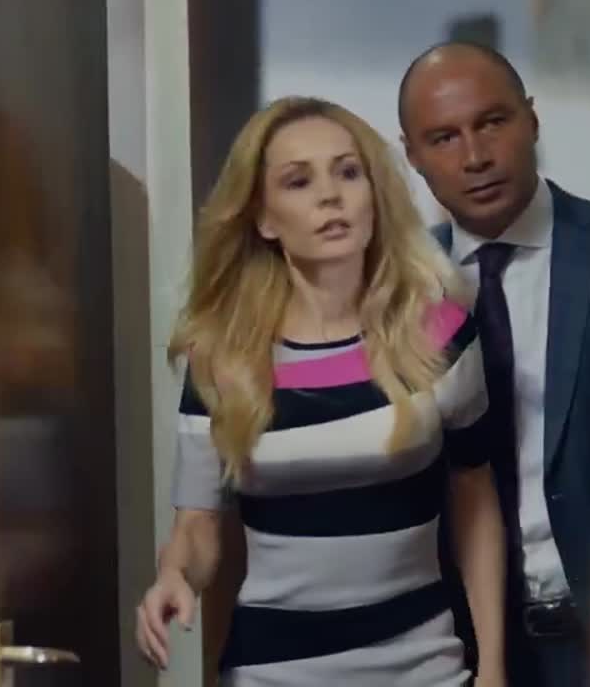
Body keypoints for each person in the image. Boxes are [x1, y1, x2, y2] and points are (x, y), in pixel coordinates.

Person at [134, 96, 507, 686]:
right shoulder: (225, 356)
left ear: (374, 196)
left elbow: (476, 502)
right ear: (264, 219)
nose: (330, 196)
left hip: (424, 666)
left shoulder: (440, 333)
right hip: (273, 671)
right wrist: (175, 577)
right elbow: (197, 527)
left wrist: (493, 667)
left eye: (348, 172)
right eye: (299, 181)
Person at [398, 42, 590, 687]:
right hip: (462, 649)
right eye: (444, 138)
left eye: (492, 122)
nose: (474, 156)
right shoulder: (396, 293)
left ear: (531, 120)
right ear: (412, 156)